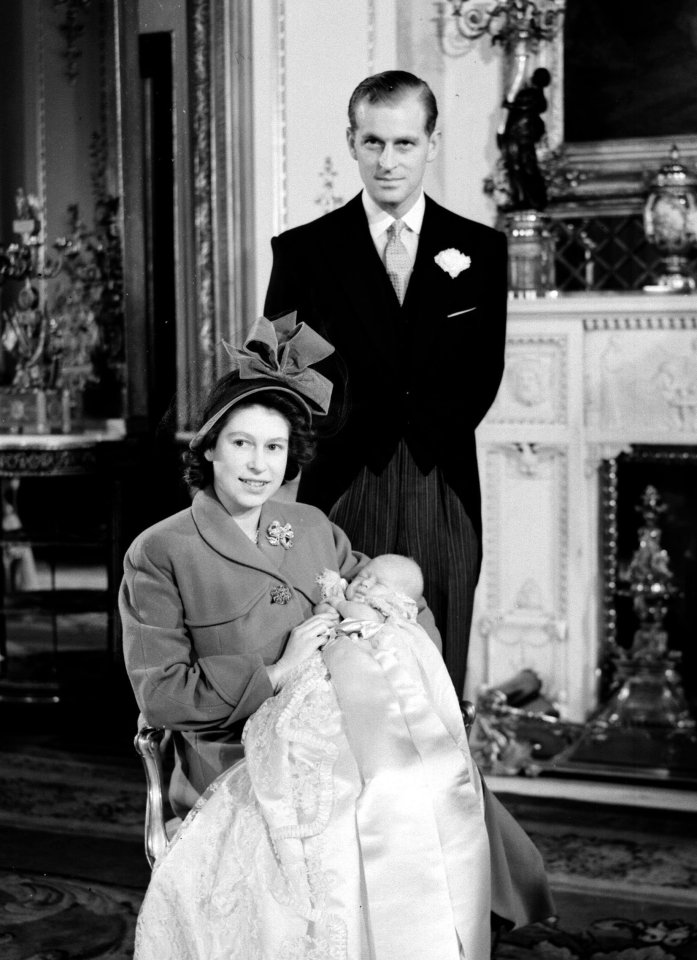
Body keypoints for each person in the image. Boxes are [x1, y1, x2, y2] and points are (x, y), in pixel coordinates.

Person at [122, 315, 552, 958]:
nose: (258, 465)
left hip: (345, 719)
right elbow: (162, 695)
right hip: (236, 747)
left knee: (431, 771)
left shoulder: (311, 525)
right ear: (209, 447)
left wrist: (393, 651)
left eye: (274, 448)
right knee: (381, 799)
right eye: (241, 444)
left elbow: (391, 602)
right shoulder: (160, 551)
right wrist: (277, 671)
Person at [264, 70, 508, 696]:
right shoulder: (304, 252)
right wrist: (345, 436)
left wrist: (421, 434)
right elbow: (281, 370)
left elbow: (484, 370)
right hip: (344, 481)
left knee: (438, 667)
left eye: (404, 143)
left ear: (431, 141)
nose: (388, 161)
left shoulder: (479, 249)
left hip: (442, 482)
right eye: (373, 142)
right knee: (340, 671)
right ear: (351, 142)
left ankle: (445, 792)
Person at [497, 67, 551, 212]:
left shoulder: (532, 96)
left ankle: (529, 200)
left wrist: (508, 104)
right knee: (520, 170)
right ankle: (524, 200)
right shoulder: (535, 97)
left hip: (521, 139)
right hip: (518, 138)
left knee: (524, 169)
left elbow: (512, 103)